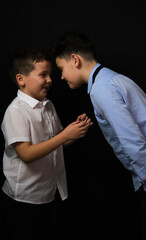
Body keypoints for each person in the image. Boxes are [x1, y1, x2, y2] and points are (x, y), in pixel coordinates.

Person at [52, 31, 146, 240]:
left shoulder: (102, 88)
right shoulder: (110, 78)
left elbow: (133, 142)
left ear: (75, 60)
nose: (61, 76)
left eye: (61, 69)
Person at [0, 49, 92, 240]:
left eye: (50, 74)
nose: (50, 79)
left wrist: (76, 130)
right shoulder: (15, 111)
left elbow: (58, 142)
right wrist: (64, 135)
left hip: (48, 192)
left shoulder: (48, 105)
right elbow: (26, 154)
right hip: (25, 197)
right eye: (43, 75)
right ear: (21, 79)